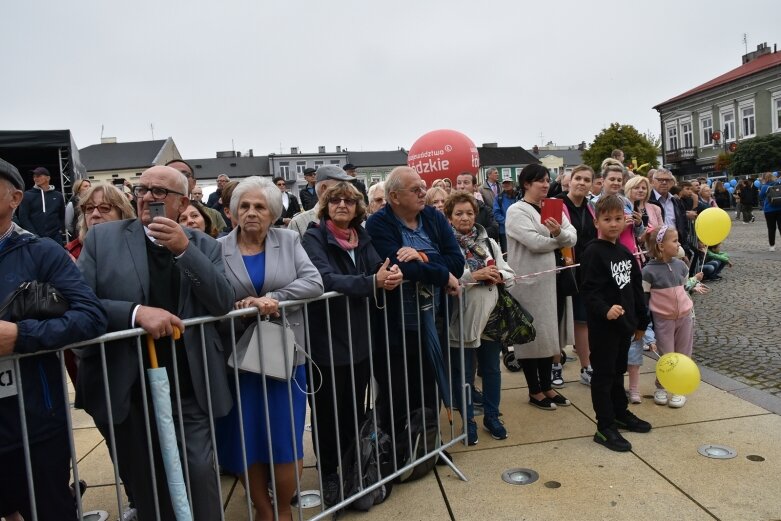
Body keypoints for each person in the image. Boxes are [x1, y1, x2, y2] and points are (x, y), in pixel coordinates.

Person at [77, 165, 235, 520]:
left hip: (187, 384)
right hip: (129, 386)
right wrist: (134, 314)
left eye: (160, 192)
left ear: (182, 202)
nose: (148, 196)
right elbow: (80, 302)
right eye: (142, 188)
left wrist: (183, 250)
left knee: (199, 473)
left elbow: (222, 302)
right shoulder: (105, 239)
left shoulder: (204, 245)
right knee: (147, 482)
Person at [0, 158, 107, 521]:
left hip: (35, 419)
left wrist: (20, 336)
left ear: (15, 198)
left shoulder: (41, 251)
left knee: (48, 509)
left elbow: (90, 317)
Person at [216, 176, 323, 519]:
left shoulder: (289, 240)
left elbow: (314, 282)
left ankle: (283, 509)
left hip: (284, 358)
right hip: (239, 359)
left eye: (260, 207)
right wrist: (237, 307)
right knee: (246, 439)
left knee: (284, 439)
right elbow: (209, 298)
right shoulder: (217, 248)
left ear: (273, 212)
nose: (251, 213)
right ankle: (263, 509)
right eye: (244, 206)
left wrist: (272, 298)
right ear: (233, 212)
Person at [302, 182, 401, 505]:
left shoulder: (362, 236)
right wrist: (372, 282)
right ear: (325, 206)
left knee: (353, 410)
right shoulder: (314, 237)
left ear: (358, 208)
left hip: (360, 339)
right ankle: (330, 475)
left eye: (348, 200)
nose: (342, 205)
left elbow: (377, 266)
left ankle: (353, 468)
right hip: (327, 341)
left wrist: (391, 274)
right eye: (335, 200)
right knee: (327, 414)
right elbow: (324, 278)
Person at [365, 166, 463, 435]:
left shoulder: (433, 217)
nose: (424, 193)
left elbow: (458, 261)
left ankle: (428, 443)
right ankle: (398, 449)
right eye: (416, 189)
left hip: (434, 319)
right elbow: (396, 267)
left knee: (428, 384)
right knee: (397, 389)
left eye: (423, 186)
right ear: (394, 197)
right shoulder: (378, 223)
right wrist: (442, 273)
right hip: (397, 325)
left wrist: (423, 258)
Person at [579, 195, 652, 452]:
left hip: (625, 327)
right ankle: (605, 425)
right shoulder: (592, 252)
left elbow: (635, 287)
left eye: (618, 219)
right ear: (597, 220)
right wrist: (605, 309)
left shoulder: (625, 252)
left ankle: (620, 412)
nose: (613, 224)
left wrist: (642, 321)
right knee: (603, 375)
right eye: (607, 219)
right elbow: (588, 291)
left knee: (618, 370)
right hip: (604, 328)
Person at [445, 191, 514, 444]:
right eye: (459, 213)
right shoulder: (446, 245)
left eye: (470, 213)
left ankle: (492, 416)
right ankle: (468, 422)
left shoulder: (489, 242)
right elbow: (445, 277)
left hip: (492, 317)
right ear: (449, 216)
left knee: (492, 369)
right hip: (462, 318)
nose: (465, 218)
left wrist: (501, 276)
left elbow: (510, 273)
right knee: (464, 374)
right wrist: (473, 276)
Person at [505, 164, 576, 410]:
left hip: (553, 280)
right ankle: (534, 390)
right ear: (526, 183)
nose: (546, 184)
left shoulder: (552, 206)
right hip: (530, 283)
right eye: (539, 181)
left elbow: (572, 235)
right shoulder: (516, 211)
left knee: (550, 336)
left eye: (547, 180)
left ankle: (547, 386)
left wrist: (559, 235)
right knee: (531, 337)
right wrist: (558, 238)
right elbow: (533, 242)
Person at [643, 226, 708, 409]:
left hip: (685, 317)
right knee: (667, 355)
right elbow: (644, 299)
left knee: (684, 353)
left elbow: (683, 286)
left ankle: (679, 387)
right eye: (675, 241)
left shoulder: (680, 265)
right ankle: (661, 385)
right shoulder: (648, 271)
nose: (679, 244)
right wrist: (646, 326)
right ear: (661, 246)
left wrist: (693, 284)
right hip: (663, 319)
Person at [557, 165, 597, 386]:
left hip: (587, 271)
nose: (582, 183)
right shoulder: (557, 203)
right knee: (559, 319)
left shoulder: (591, 208)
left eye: (586, 180)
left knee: (583, 321)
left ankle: (586, 367)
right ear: (569, 181)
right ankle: (555, 365)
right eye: (578, 179)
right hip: (564, 270)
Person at [288, 166, 354, 237]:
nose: (347, 189)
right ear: (324, 188)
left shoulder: (354, 218)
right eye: (341, 185)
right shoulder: (298, 223)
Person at [166, 160, 228, 233]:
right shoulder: (153, 216)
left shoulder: (213, 215)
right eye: (170, 175)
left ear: (193, 183)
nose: (178, 179)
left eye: (184, 175)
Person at [16, 166, 66, 245]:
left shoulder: (58, 195)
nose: (35, 178)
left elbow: (62, 215)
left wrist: (60, 230)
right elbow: (23, 217)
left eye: (39, 176)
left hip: (56, 238)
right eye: (34, 176)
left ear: (48, 178)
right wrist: (33, 234)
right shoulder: (27, 195)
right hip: (34, 238)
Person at [648, 168, 690, 259]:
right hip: (657, 250)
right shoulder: (647, 200)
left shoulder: (676, 202)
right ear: (653, 182)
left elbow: (684, 226)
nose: (664, 182)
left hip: (676, 247)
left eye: (667, 180)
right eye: (660, 180)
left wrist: (685, 248)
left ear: (672, 182)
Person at [455, 172, 499, 241]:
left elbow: (494, 229)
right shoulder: (451, 209)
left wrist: (474, 234)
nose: (462, 186)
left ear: (475, 187)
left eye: (466, 183)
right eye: (459, 183)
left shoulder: (484, 209)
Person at [493, 176, 519, 253]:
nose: (507, 185)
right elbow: (496, 213)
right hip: (504, 231)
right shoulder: (499, 198)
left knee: (518, 252)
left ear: (513, 184)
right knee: (506, 253)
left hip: (518, 229)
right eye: (505, 183)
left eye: (508, 183)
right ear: (502, 185)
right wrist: (508, 222)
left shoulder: (519, 196)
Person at [759, 172, 781, 251]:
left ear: (765, 179)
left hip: (769, 210)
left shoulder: (764, 187)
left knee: (771, 228)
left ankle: (772, 246)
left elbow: (760, 197)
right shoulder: (779, 184)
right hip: (780, 208)